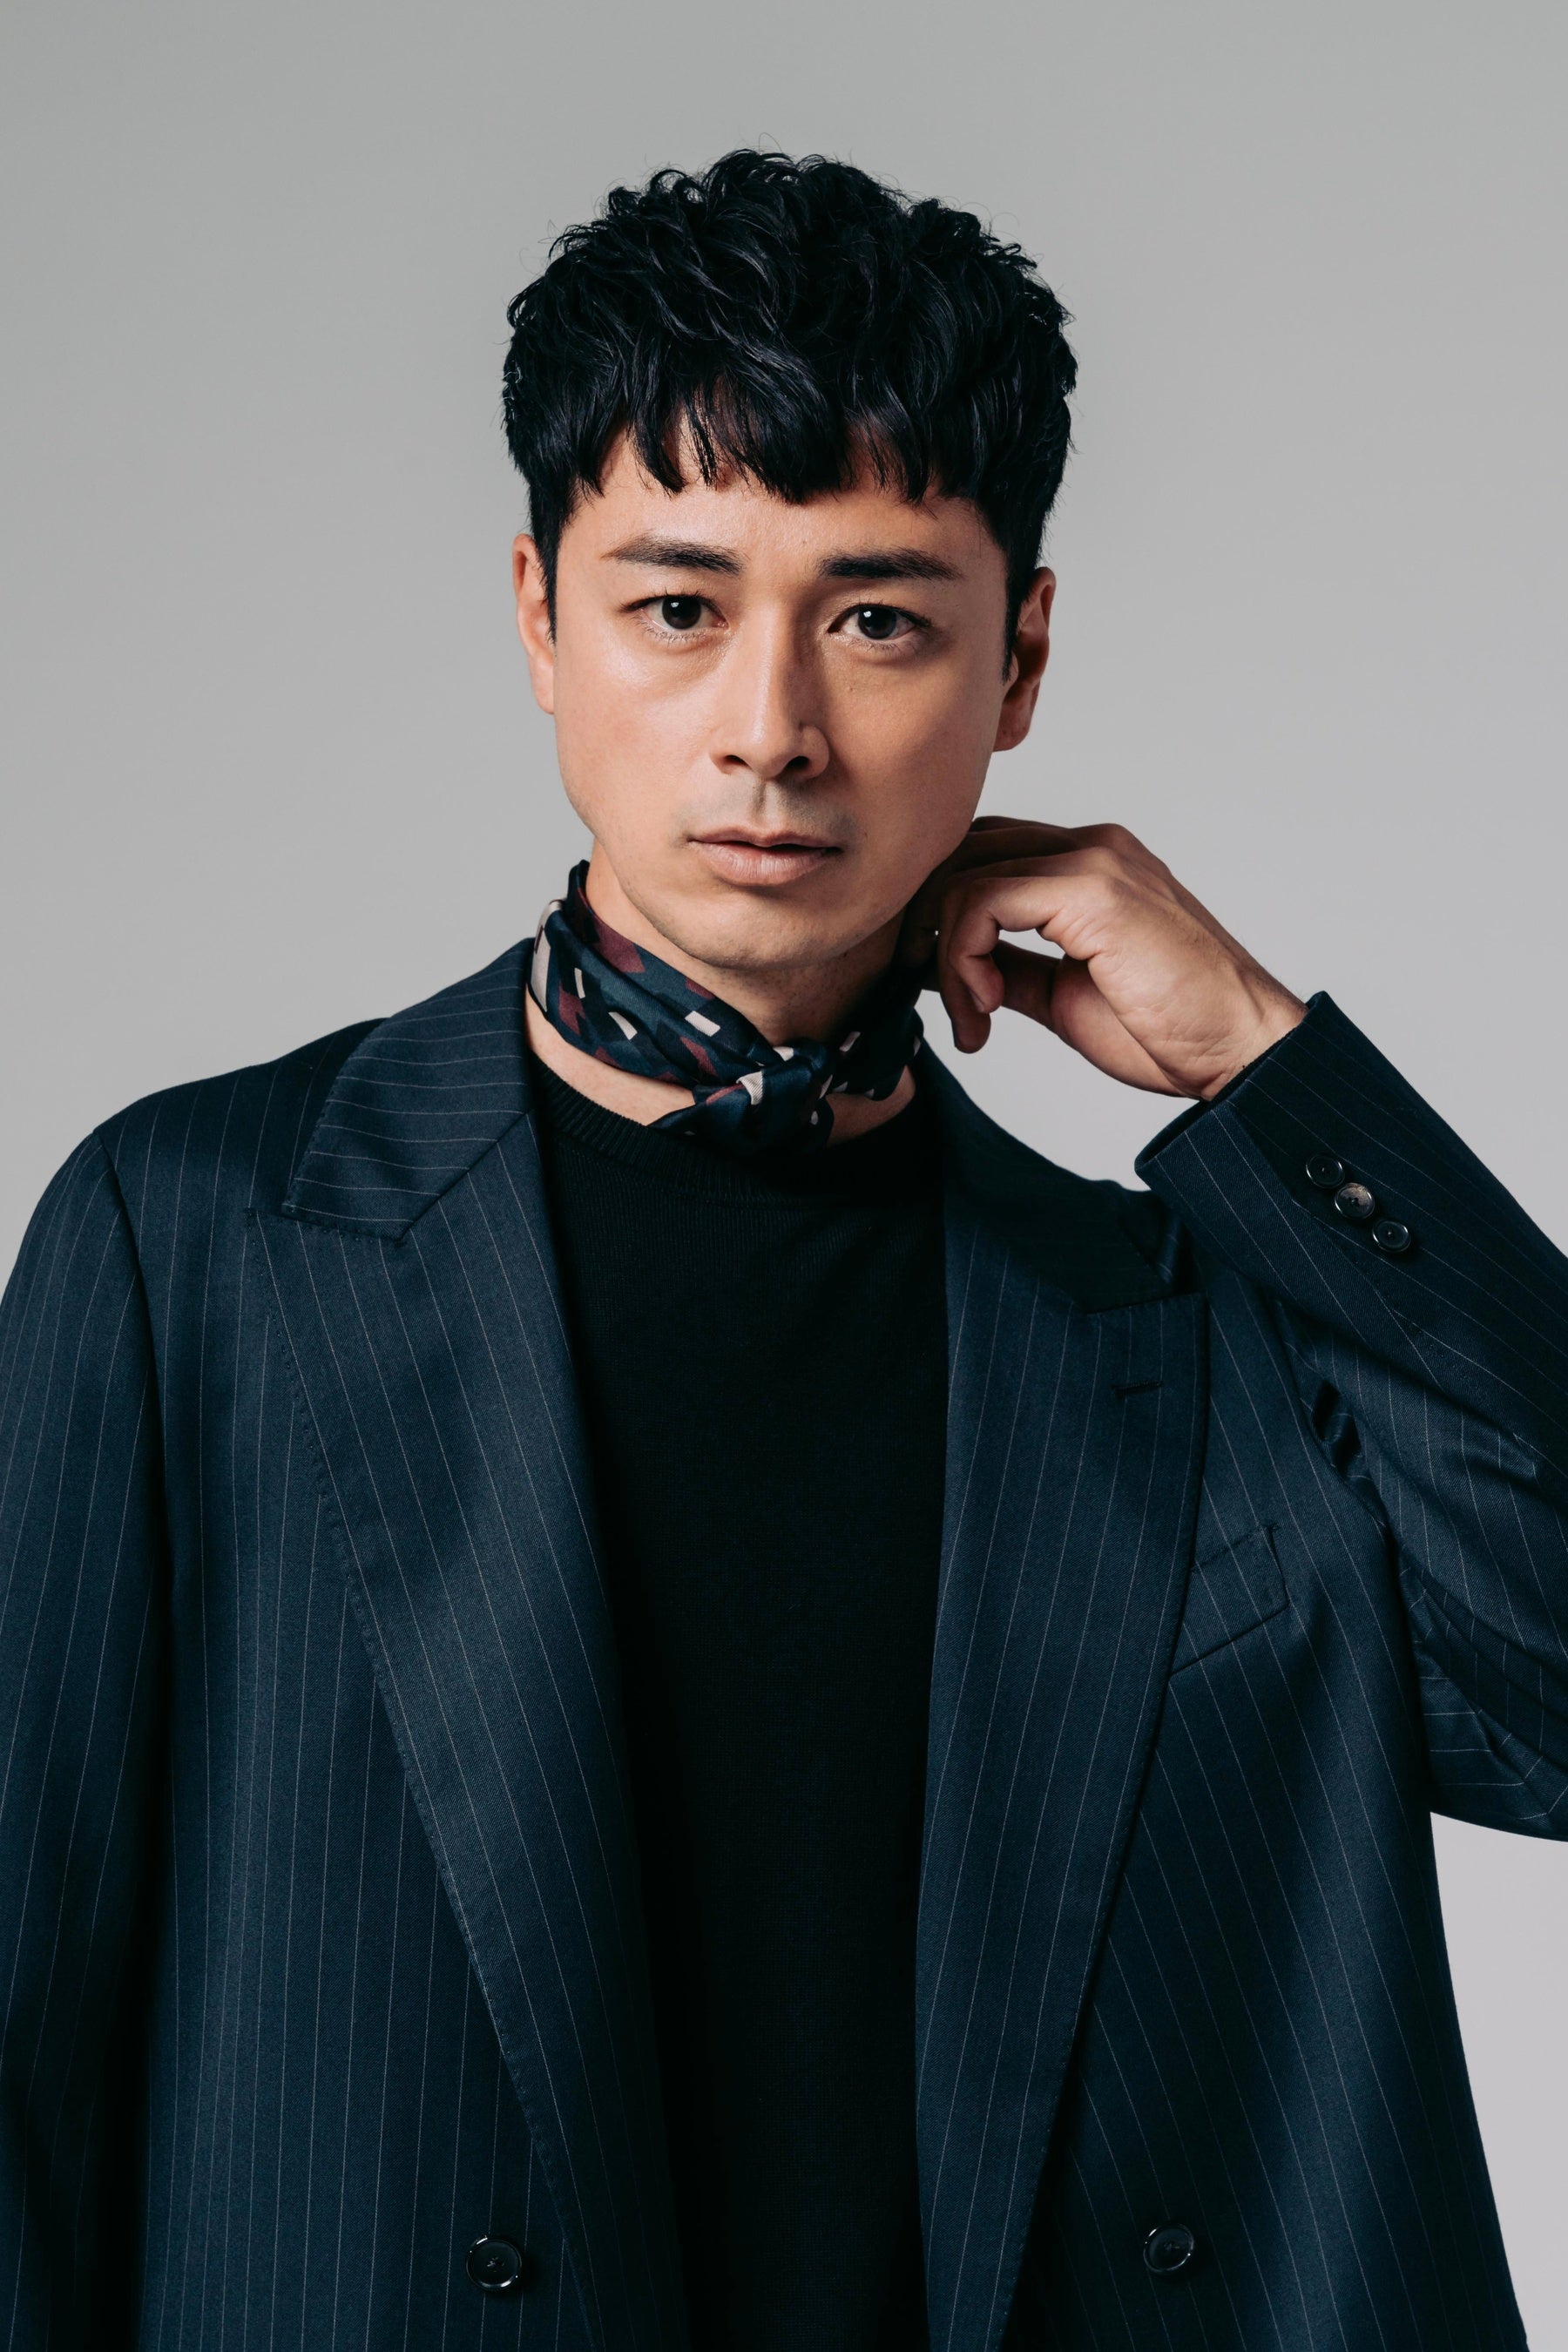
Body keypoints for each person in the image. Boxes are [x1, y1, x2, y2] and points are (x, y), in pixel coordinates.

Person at [0, 147, 1560, 2352]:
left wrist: (1262, 1070)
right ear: (539, 622)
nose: (770, 730)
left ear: (1020, 660)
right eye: (677, 607)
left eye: (878, 619)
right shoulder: (195, 1245)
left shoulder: (1189, 1317)